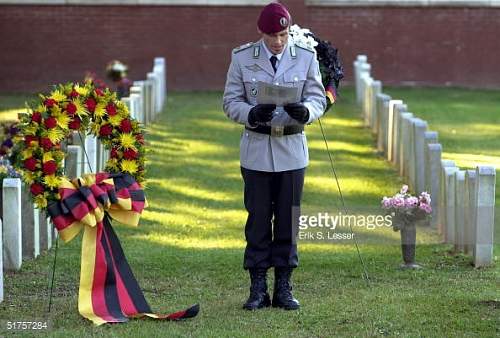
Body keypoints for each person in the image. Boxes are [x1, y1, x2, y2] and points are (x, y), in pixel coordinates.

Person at [222, 2, 326, 311]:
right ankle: (257, 287)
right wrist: (251, 112)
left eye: (282, 35)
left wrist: (306, 111)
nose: (277, 42)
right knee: (257, 219)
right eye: (271, 36)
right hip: (256, 149)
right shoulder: (242, 58)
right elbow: (230, 101)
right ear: (261, 33)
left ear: (288, 31)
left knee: (287, 220)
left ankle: (283, 285)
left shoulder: (305, 56)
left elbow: (318, 97)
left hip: (292, 150)